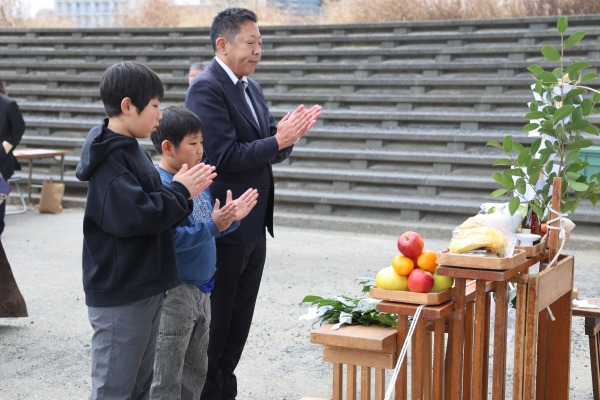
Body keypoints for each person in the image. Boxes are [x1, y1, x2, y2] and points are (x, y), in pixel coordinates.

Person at [185, 7, 322, 400]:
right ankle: (208, 390)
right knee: (219, 321)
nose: (258, 49)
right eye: (250, 41)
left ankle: (224, 386)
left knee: (239, 321)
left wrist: (287, 136)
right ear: (222, 44)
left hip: (253, 223)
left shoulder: (251, 88)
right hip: (227, 220)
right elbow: (222, 156)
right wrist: (276, 140)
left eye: (261, 42)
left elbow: (266, 151)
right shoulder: (207, 86)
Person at [75, 61, 217, 400]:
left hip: (144, 285)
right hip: (123, 291)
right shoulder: (110, 160)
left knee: (139, 388)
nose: (158, 115)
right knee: (114, 389)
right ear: (127, 106)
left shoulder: (127, 150)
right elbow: (138, 217)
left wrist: (183, 193)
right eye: (154, 105)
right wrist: (181, 190)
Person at [149, 105, 258, 399]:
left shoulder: (197, 178)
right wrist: (213, 226)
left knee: (195, 372)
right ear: (168, 147)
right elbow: (170, 240)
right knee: (167, 374)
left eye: (202, 143)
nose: (201, 151)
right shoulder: (161, 184)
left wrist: (228, 220)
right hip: (175, 292)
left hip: (203, 290)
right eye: (193, 143)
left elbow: (209, 228)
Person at [0, 79, 25, 235]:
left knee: (0, 199)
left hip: (1, 163)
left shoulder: (8, 104)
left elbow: (18, 130)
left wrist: (3, 150)